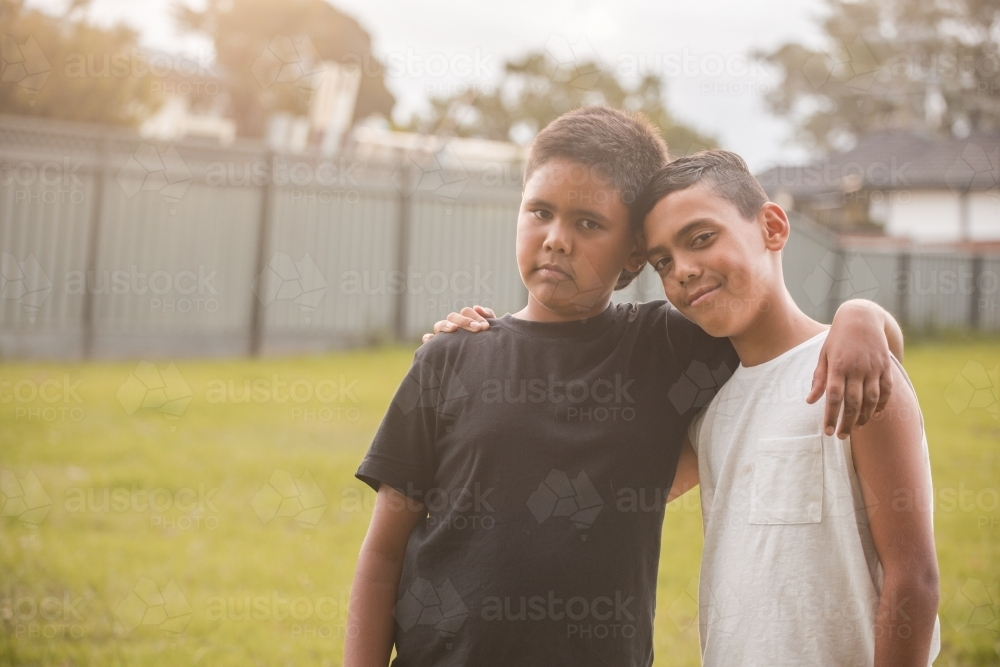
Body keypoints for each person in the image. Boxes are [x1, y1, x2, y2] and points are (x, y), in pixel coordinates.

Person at [345, 107, 902, 667]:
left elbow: (791, 336)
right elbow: (385, 551)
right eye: (540, 212)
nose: (557, 240)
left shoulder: (669, 345)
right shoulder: (449, 356)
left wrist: (863, 314)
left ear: (636, 257)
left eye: (589, 223)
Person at [638, 150, 940, 666]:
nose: (683, 270)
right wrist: (487, 346)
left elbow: (912, 577)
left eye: (702, 238)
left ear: (773, 227)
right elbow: (619, 486)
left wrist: (865, 315)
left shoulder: (853, 371)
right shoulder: (709, 407)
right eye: (663, 262)